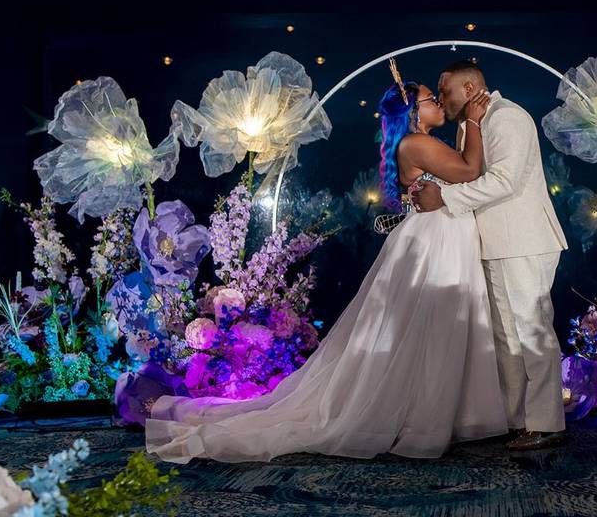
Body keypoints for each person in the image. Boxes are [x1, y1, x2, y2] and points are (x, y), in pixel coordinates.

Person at [145, 61, 506, 463]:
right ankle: (422, 417)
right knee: (431, 326)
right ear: (413, 113)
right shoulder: (417, 144)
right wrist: (474, 120)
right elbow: (472, 171)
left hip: (437, 238)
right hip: (435, 242)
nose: (439, 103)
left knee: (429, 327)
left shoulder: (420, 143)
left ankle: (436, 411)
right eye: (429, 99)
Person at [412, 60, 569, 451]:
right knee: (506, 338)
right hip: (494, 243)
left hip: (523, 241)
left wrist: (444, 198)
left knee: (532, 330)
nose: (440, 98)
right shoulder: (474, 124)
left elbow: (504, 181)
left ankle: (547, 422)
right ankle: (518, 422)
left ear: (468, 90)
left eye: (444, 90)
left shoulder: (509, 117)